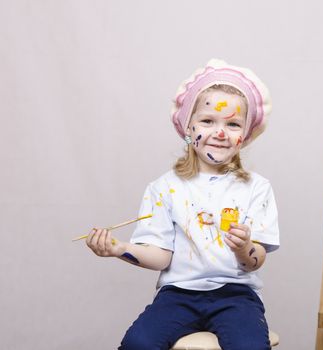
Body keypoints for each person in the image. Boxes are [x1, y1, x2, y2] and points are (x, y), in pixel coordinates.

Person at [85, 59, 280, 350]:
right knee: (138, 344)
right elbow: (161, 257)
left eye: (233, 124)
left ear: (244, 136)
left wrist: (244, 247)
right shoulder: (164, 188)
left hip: (236, 295)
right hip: (177, 294)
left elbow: (256, 259)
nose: (220, 132)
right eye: (207, 121)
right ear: (188, 129)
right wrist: (119, 249)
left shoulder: (257, 188)